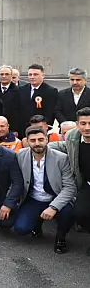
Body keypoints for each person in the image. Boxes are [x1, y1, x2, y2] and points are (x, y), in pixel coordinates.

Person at [15, 126, 76, 254]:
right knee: (21, 229)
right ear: (27, 141)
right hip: (34, 198)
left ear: (47, 140)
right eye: (33, 140)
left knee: (69, 213)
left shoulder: (61, 158)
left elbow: (69, 187)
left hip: (55, 196)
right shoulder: (21, 155)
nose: (37, 143)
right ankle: (37, 223)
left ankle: (61, 238)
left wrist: (53, 207)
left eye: (41, 139)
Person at [48, 107, 90, 255]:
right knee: (81, 214)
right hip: (87, 184)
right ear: (77, 125)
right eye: (83, 123)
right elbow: (61, 146)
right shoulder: (73, 137)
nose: (87, 127)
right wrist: (35, 148)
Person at [19, 64, 58, 134]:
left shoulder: (51, 91)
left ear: (43, 75)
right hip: (23, 128)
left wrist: (46, 127)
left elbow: (50, 112)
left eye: (35, 74)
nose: (32, 77)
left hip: (40, 129)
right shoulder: (21, 89)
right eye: (30, 75)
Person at [0, 65, 22, 136]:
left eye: (6, 74)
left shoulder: (19, 91)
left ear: (11, 76)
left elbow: (20, 112)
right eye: (2, 74)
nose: (4, 76)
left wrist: (15, 129)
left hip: (12, 129)